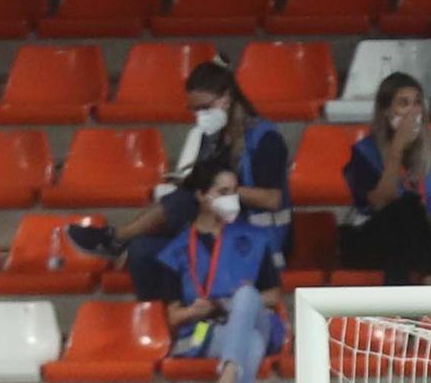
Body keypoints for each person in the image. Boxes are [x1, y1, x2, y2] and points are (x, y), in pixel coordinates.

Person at [66, 62, 291, 267]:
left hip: (258, 239)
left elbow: (272, 199)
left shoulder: (264, 138)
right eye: (195, 110)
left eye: (205, 107)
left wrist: (224, 191)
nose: (200, 115)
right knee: (141, 250)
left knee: (186, 198)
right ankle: (169, 307)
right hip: (215, 227)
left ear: (227, 97)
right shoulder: (212, 137)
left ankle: (117, 237)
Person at [138, 162, 287, 383]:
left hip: (257, 319)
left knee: (245, 296)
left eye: (234, 191)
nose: (231, 199)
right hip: (203, 332)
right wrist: (194, 312)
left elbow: (273, 296)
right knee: (250, 343)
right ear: (201, 196)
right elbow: (173, 318)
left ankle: (228, 372)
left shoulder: (255, 237)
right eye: (223, 192)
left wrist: (227, 304)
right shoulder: (176, 250)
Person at [341, 73, 431, 285]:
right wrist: (396, 149)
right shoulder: (364, 152)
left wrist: (416, 220)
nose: (413, 111)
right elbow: (381, 202)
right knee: (403, 209)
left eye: (417, 103)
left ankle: (400, 304)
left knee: (407, 213)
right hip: (375, 239)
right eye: (403, 104)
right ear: (386, 111)